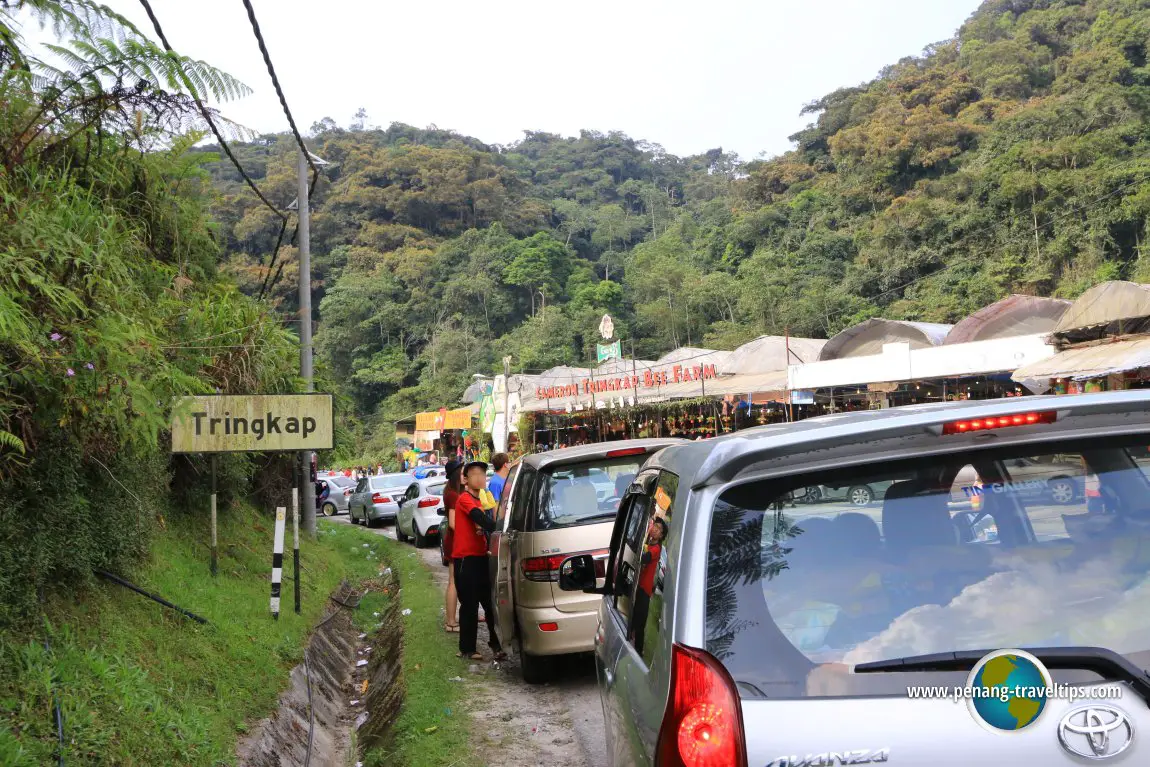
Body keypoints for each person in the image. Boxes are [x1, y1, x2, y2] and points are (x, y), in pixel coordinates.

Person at [452, 460, 505, 661]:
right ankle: (467, 649)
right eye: (474, 474)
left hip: (481, 557)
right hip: (465, 560)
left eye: (482, 474)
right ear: (465, 479)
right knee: (470, 605)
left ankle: (496, 645)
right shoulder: (465, 499)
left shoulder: (483, 499)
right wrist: (500, 528)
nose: (479, 477)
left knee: (490, 604)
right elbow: (481, 520)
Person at [630, 516, 667, 656]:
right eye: (654, 526)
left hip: (645, 590)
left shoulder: (656, 548)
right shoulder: (650, 543)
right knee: (635, 619)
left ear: (661, 535)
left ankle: (639, 652)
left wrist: (642, 548)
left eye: (658, 529)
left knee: (640, 623)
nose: (655, 530)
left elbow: (645, 558)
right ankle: (633, 645)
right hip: (640, 587)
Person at [441, 459, 463, 633]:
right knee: (453, 581)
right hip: (455, 542)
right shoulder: (453, 495)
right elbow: (454, 523)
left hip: (454, 541)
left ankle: (454, 618)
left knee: (456, 581)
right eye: (463, 472)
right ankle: (450, 621)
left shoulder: (451, 491)